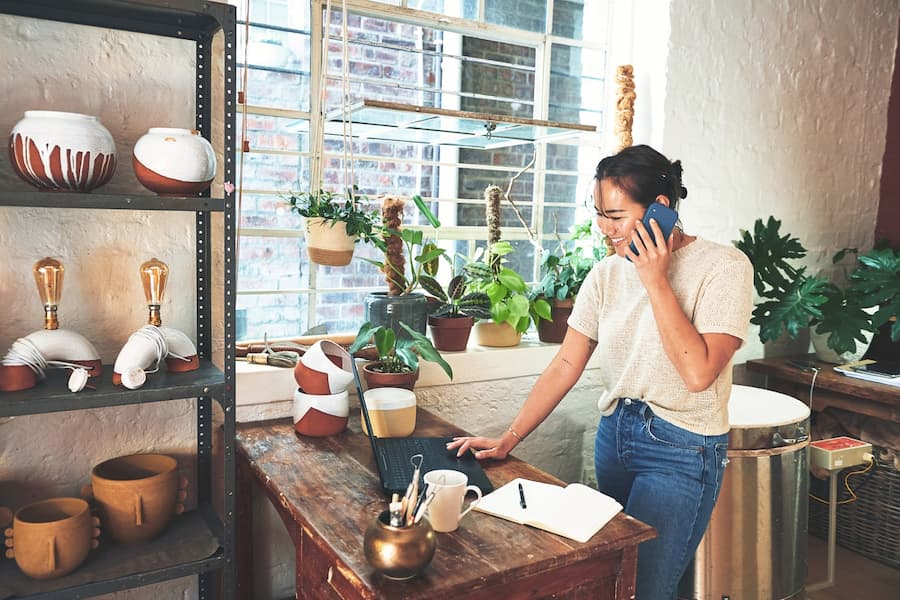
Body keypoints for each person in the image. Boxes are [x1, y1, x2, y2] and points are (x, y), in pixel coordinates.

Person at [447, 144, 754, 600]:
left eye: (614, 215)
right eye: (598, 213)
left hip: (682, 447)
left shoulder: (724, 268)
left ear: (660, 210)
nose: (603, 228)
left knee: (648, 589)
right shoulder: (606, 274)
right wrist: (509, 437)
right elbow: (567, 363)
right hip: (616, 437)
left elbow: (698, 373)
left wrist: (655, 280)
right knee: (615, 579)